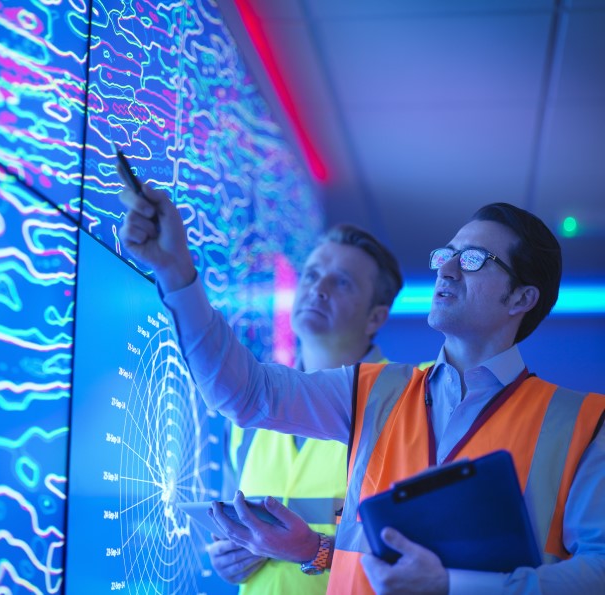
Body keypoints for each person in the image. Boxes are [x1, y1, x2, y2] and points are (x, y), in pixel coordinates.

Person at [118, 183, 605, 594]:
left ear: (521, 297)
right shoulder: (372, 392)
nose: (447, 269)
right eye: (447, 254)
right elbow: (247, 395)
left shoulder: (583, 423)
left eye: (475, 259)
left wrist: (453, 585)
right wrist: (177, 273)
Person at [209, 224, 404, 593]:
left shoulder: (400, 408)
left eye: (342, 282)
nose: (318, 289)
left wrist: (317, 553)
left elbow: (412, 559)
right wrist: (227, 558)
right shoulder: (247, 413)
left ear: (375, 318)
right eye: (312, 275)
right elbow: (235, 527)